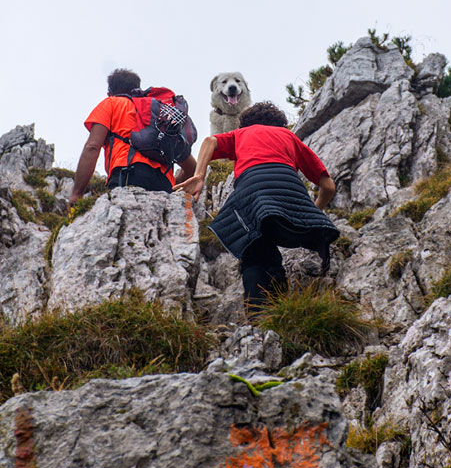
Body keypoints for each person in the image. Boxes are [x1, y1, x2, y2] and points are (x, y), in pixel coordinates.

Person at [174, 101, 338, 310]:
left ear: (245, 123)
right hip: (289, 189)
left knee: (254, 250)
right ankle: (282, 304)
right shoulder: (288, 136)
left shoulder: (242, 134)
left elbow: (209, 141)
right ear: (280, 123)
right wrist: (311, 212)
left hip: (252, 188)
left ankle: (258, 313)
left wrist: (199, 176)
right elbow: (328, 186)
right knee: (270, 241)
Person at [69, 68, 197, 204]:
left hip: (127, 174)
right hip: (164, 183)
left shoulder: (111, 103)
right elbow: (191, 167)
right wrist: (173, 186)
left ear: (109, 93)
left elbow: (92, 147)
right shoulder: (156, 113)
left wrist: (77, 194)